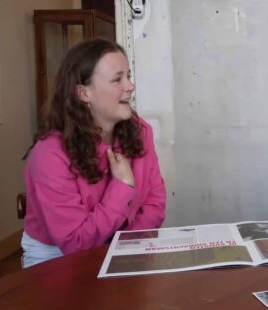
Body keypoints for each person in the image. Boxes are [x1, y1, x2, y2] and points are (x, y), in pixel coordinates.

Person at [22, 38, 166, 267]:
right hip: (58, 257)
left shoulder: (141, 132)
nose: (130, 86)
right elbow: (75, 242)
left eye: (128, 76)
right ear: (83, 93)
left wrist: (125, 250)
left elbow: (154, 204)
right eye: (117, 79)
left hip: (127, 246)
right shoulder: (49, 155)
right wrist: (122, 187)